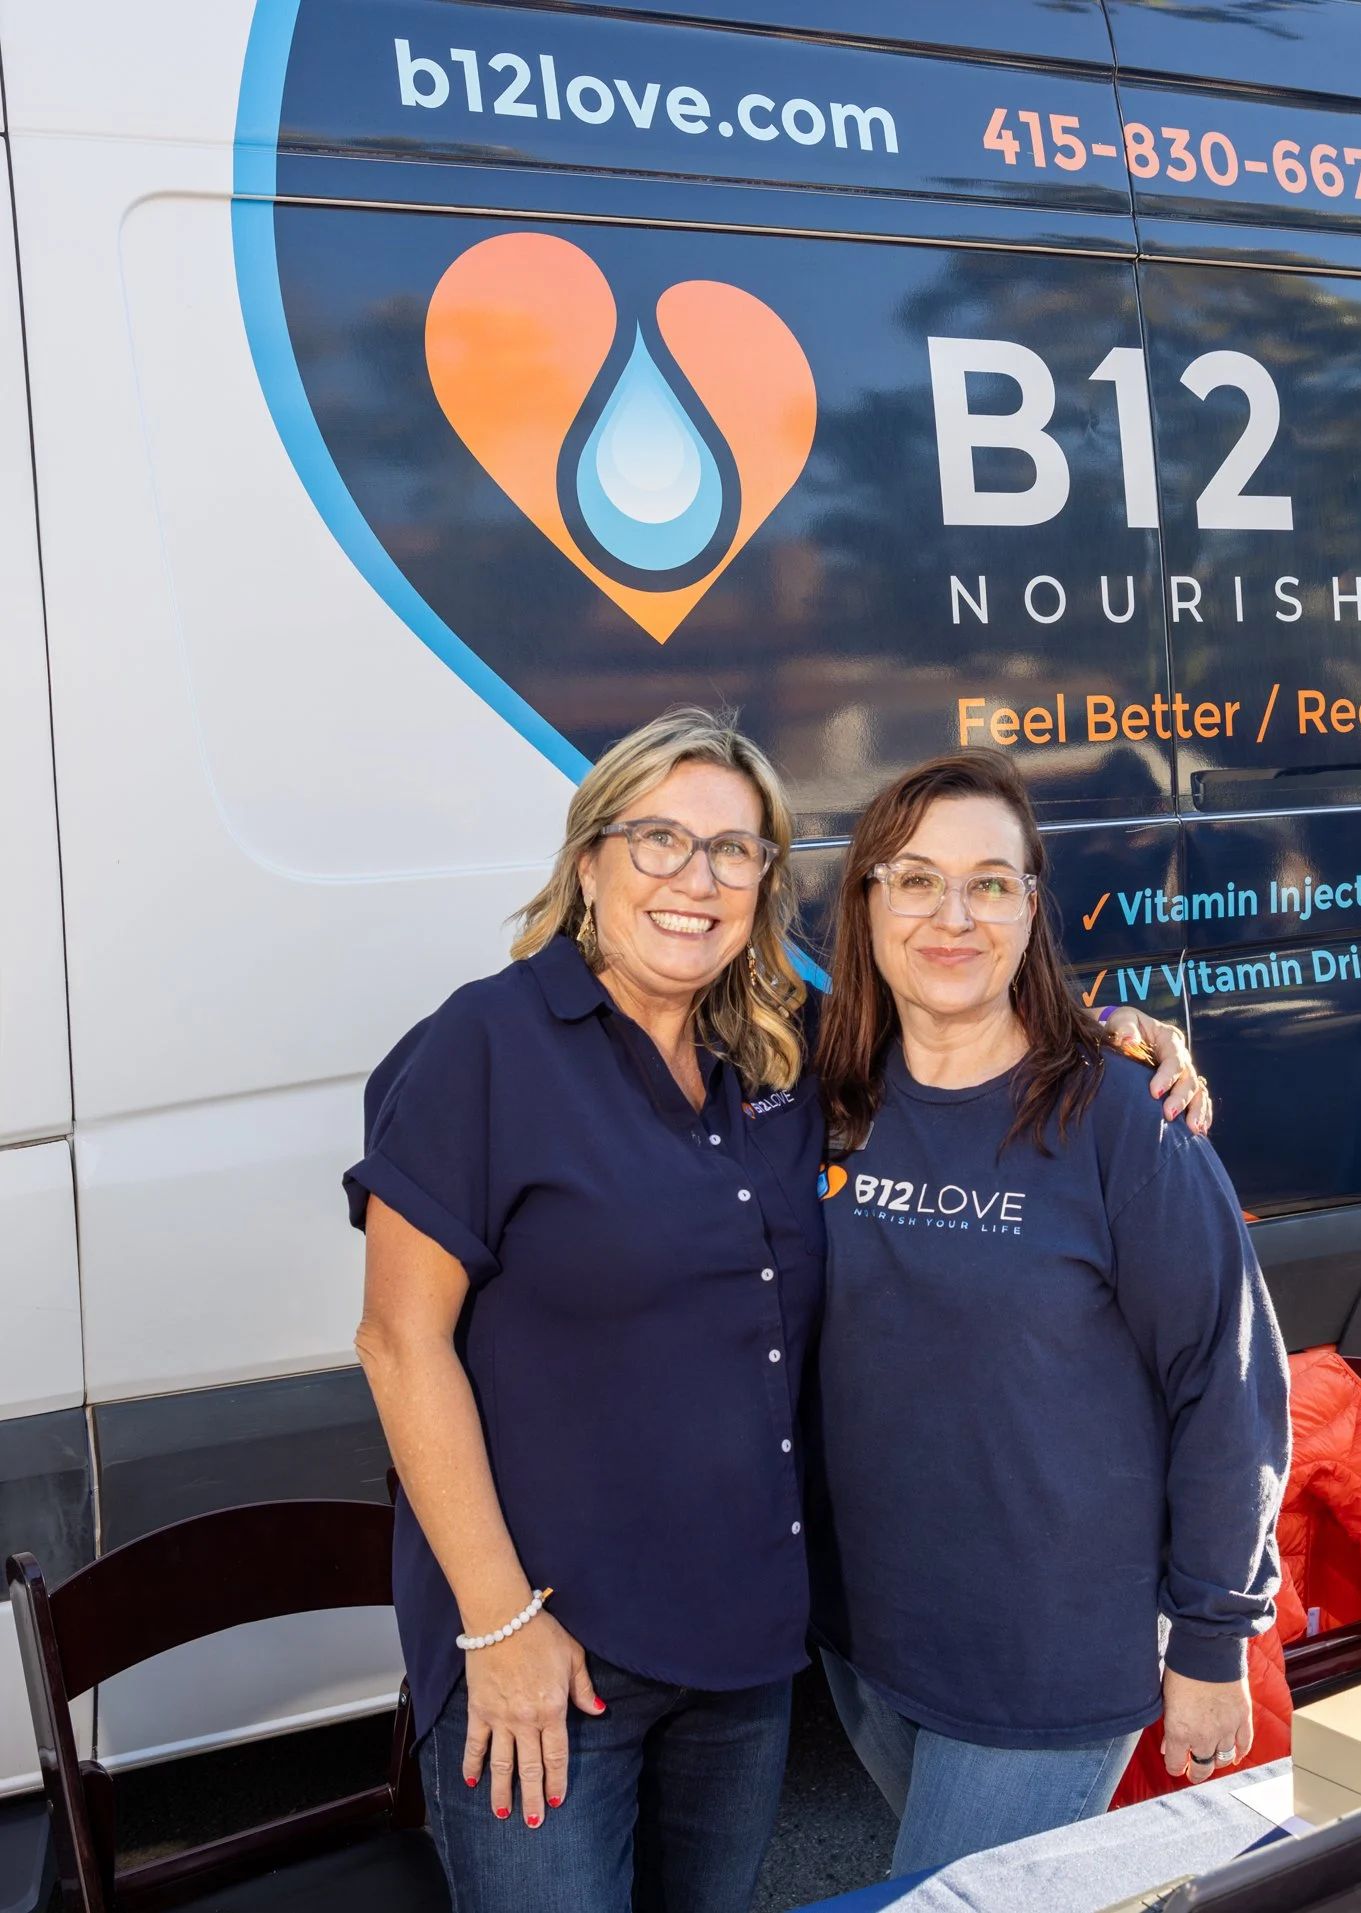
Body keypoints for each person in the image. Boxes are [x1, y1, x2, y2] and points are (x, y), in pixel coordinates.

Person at [346, 709, 1204, 1913]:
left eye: (733, 851)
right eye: (658, 840)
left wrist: (1109, 1037)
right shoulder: (482, 1046)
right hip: (548, 1648)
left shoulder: (776, 1051)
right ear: (588, 862)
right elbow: (398, 1340)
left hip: (739, 1652)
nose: (694, 879)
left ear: (764, 881)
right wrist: (497, 1624)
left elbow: (953, 1022)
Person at [809, 750, 1292, 1877]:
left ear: (1031, 909)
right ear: (867, 902)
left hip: (1048, 1656)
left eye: (989, 883)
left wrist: (1213, 1636)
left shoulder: (1124, 1115)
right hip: (865, 1636)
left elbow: (1226, 1384)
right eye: (915, 879)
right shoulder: (830, 1093)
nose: (952, 915)